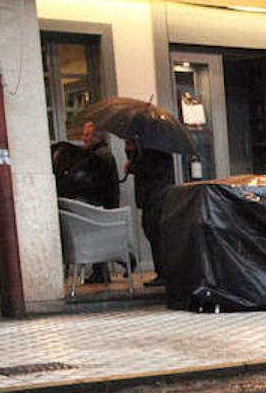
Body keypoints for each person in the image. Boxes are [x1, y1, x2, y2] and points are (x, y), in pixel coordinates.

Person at [53, 122, 122, 283]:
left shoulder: (99, 155)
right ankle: (104, 269)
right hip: (102, 206)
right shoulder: (98, 153)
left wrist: (66, 177)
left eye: (87, 135)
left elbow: (81, 178)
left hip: (100, 206)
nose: (83, 138)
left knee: (94, 236)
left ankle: (119, 261)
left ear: (96, 137)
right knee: (97, 237)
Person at [125, 140, 177, 287]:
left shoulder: (156, 150)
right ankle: (161, 272)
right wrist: (131, 153)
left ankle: (163, 273)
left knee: (156, 236)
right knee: (153, 234)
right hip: (152, 200)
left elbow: (151, 171)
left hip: (157, 199)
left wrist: (132, 167)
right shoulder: (149, 148)